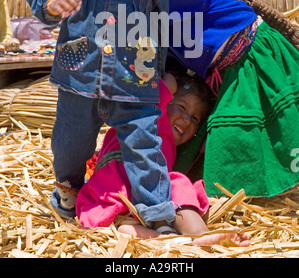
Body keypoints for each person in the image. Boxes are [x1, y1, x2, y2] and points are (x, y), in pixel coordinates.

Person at [26, 0, 177, 228]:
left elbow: (160, 23)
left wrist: (161, 74)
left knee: (145, 145)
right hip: (80, 76)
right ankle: (69, 192)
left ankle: (158, 215)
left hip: (135, 79)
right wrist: (52, 1)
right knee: (69, 146)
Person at [165, 0, 299, 199]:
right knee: (227, 137)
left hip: (254, 55)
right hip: (228, 70)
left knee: (255, 132)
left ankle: (231, 198)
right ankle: (226, 196)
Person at [76, 72, 250, 246]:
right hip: (118, 186)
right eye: (182, 107)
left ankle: (199, 235)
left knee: (178, 185)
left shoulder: (171, 148)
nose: (186, 119)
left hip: (147, 201)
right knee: (122, 227)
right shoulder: (150, 117)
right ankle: (161, 238)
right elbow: (153, 94)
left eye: (195, 118)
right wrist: (169, 84)